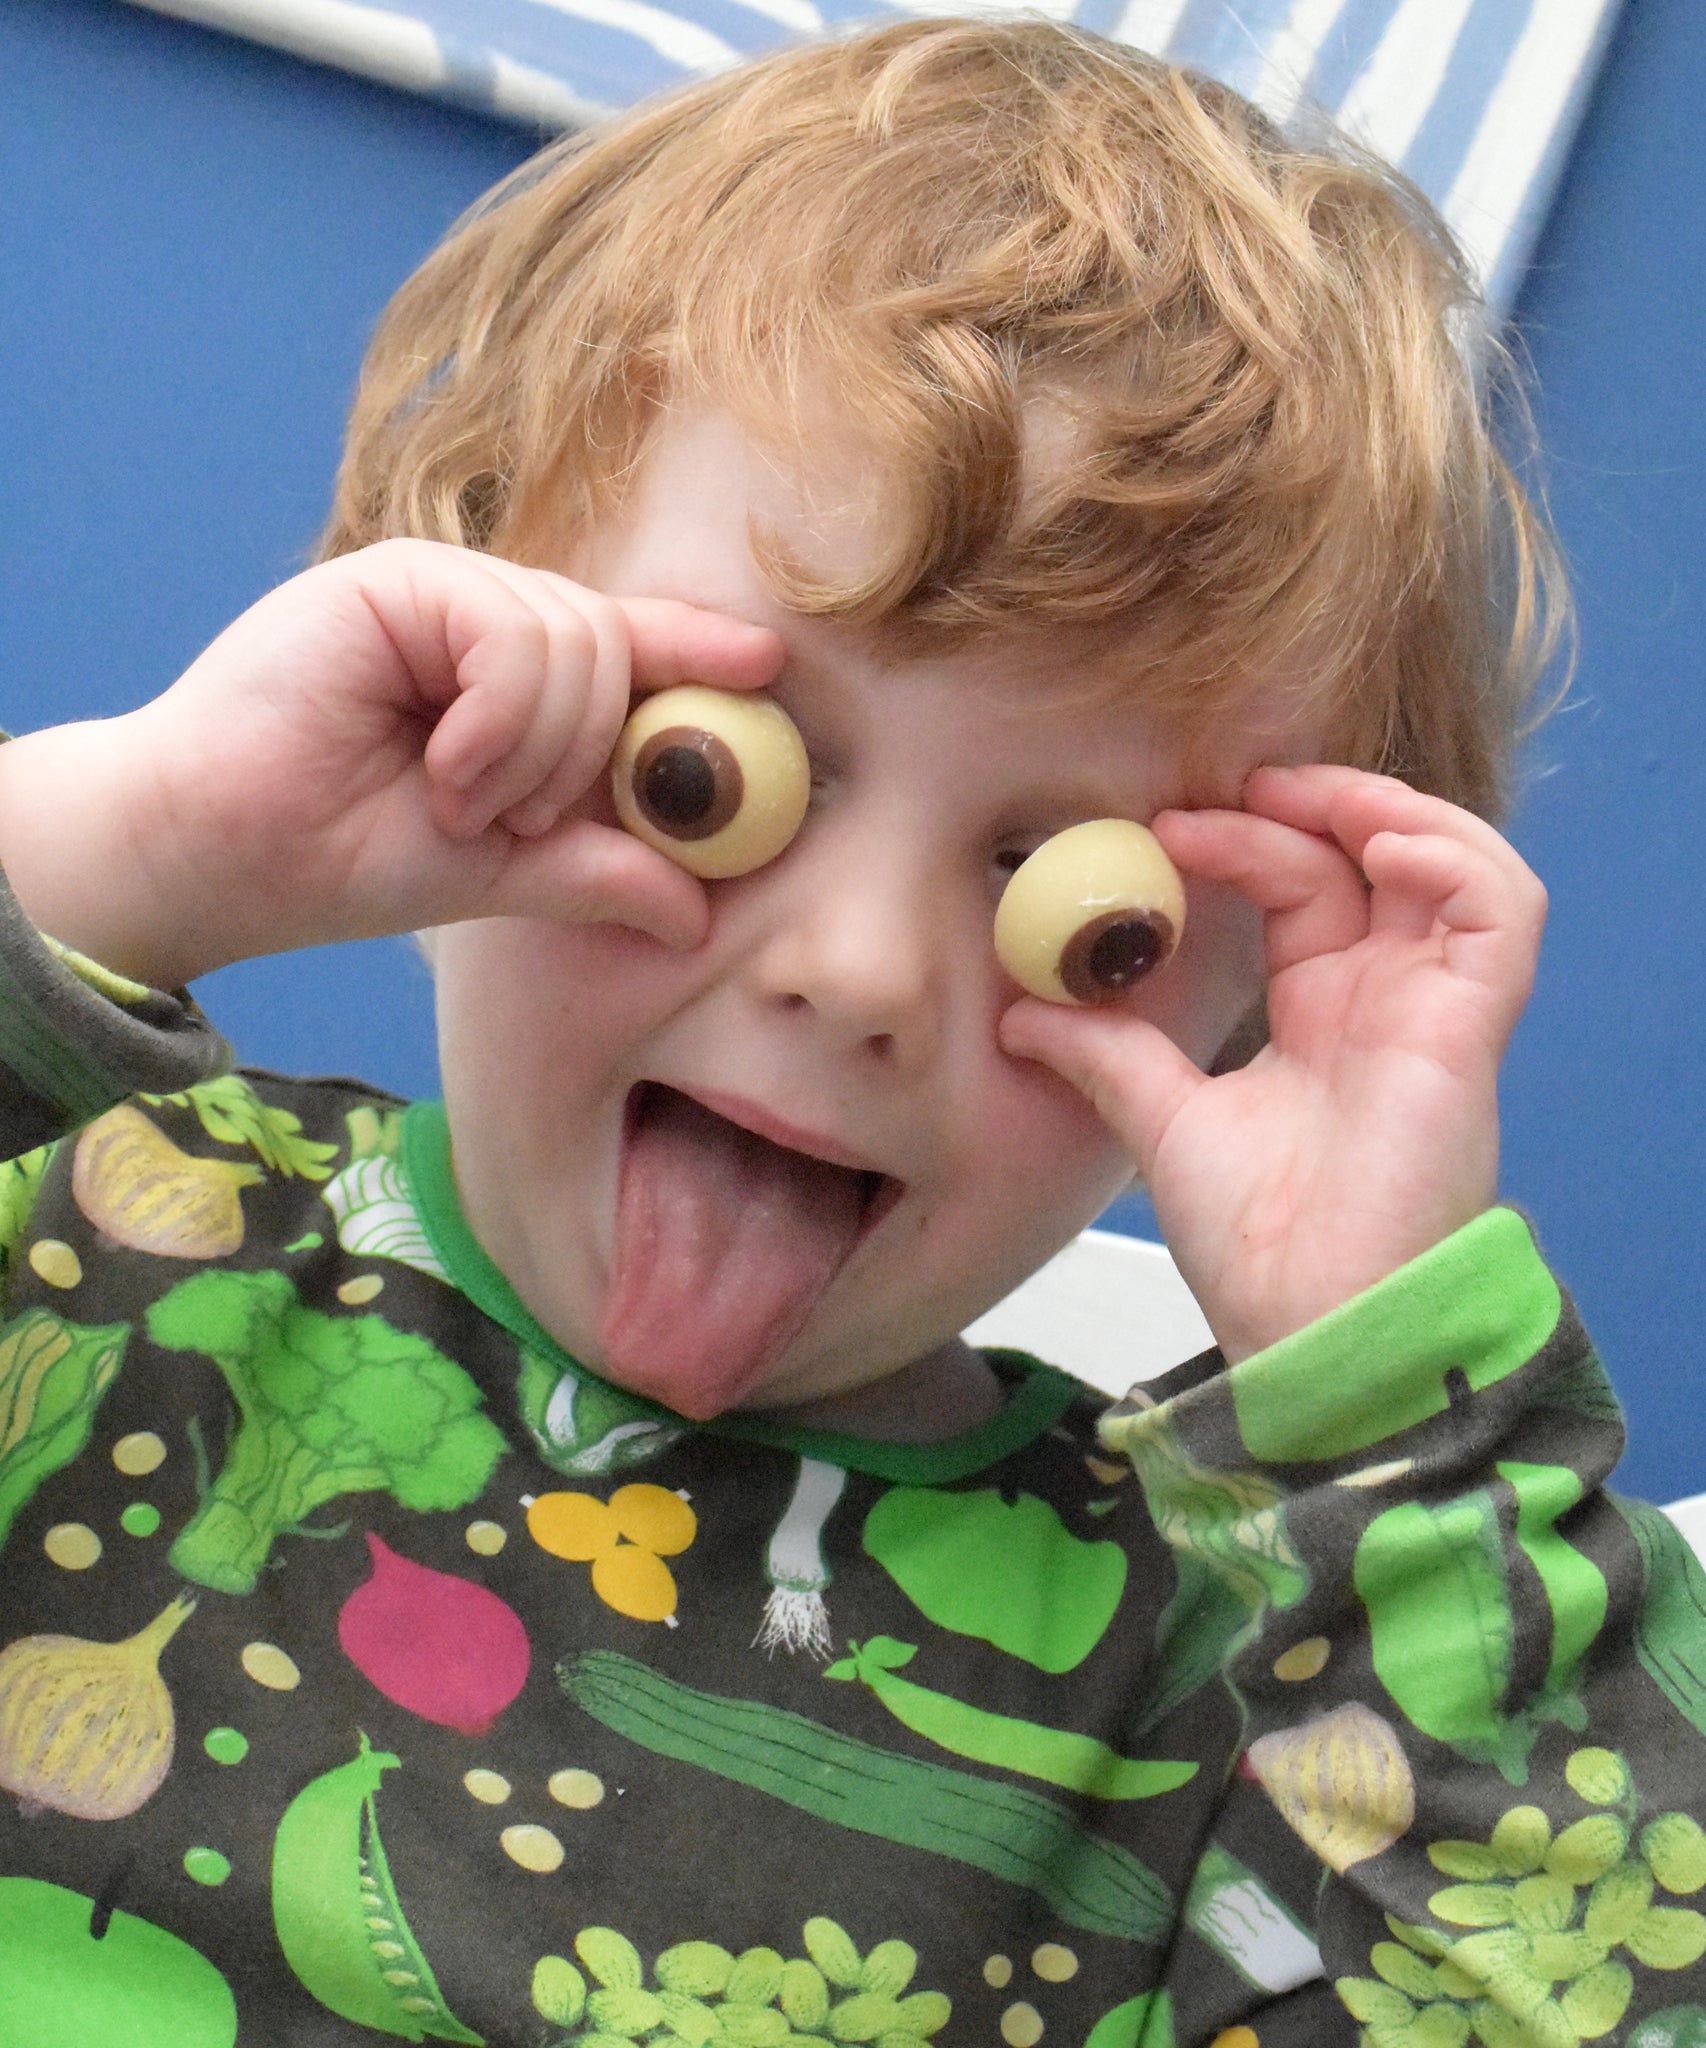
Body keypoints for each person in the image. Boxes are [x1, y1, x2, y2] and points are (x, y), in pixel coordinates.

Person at [0, 18, 1700, 2047]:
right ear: (441, 670)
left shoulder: (1205, 1696)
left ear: (1250, 1003)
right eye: (710, 774)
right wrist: (119, 854)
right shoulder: (95, 1234)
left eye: (1081, 901)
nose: (863, 973)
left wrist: (1403, 1411)